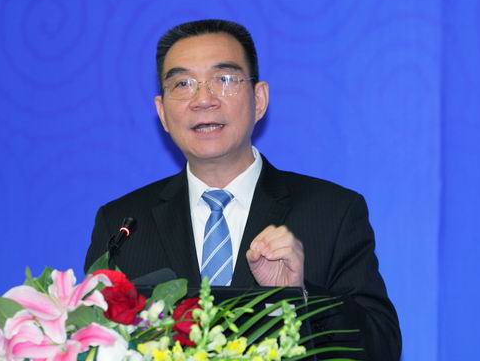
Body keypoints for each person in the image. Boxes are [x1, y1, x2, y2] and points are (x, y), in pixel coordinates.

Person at [85, 19, 401, 360]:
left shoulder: (333, 212)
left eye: (224, 79)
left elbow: (381, 348)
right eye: (183, 84)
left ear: (259, 99)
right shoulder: (122, 226)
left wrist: (299, 297)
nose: (203, 100)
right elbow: (89, 341)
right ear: (162, 112)